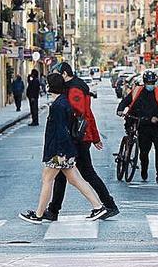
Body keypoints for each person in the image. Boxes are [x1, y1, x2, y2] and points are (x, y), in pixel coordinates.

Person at [19, 73, 110, 223]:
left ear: (49, 87)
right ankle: (98, 207)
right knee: (76, 180)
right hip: (65, 150)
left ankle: (39, 214)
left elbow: (61, 131)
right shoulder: (63, 102)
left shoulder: (58, 106)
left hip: (59, 151)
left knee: (47, 180)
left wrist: (61, 152)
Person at [44, 62, 118, 221]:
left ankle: (108, 205)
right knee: (62, 176)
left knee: (86, 174)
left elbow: (81, 114)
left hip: (77, 139)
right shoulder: (74, 86)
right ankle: (53, 211)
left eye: (57, 74)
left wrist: (93, 136)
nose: (56, 78)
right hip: (76, 138)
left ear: (64, 74)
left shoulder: (74, 89)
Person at [117, 70, 158, 184]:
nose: (150, 85)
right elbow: (125, 101)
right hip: (142, 125)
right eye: (148, 82)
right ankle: (144, 170)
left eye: (152, 83)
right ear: (144, 82)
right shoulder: (137, 91)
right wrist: (120, 110)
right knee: (144, 152)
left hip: (157, 126)